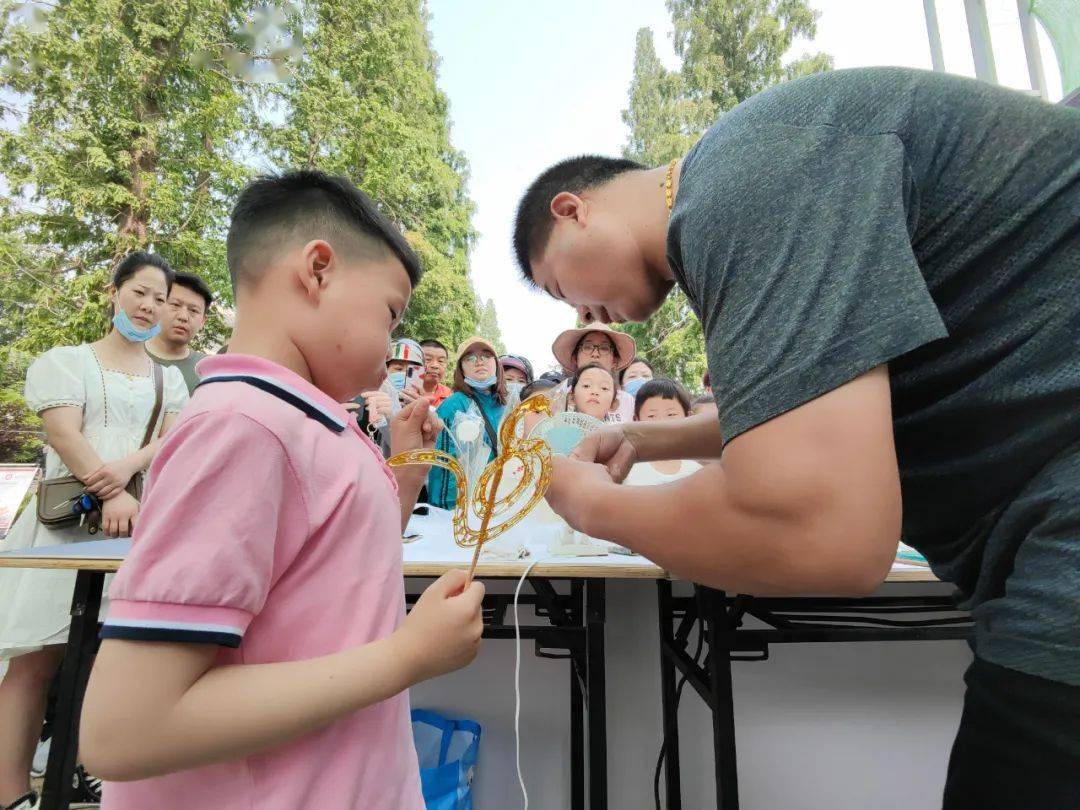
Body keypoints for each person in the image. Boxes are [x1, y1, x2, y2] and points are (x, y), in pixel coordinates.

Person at [513, 67, 1080, 807]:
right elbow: (825, 393)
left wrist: (589, 506)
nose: (593, 320)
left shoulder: (745, 184)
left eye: (564, 289)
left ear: (573, 210)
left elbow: (822, 532)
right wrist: (652, 442)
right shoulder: (753, 176)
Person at [78, 171, 485, 809]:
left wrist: (402, 475)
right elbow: (125, 729)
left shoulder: (297, 419)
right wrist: (408, 657)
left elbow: (323, 558)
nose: (392, 349)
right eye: (390, 313)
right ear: (318, 269)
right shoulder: (245, 427)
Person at [0, 251, 189, 810]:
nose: (150, 306)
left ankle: (88, 768)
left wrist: (127, 481)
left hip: (132, 526)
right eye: (141, 293)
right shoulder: (67, 361)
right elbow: (64, 433)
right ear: (114, 292)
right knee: (36, 660)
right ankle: (12, 792)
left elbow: (170, 442)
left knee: (106, 657)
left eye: (161, 298)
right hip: (63, 527)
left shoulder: (168, 380)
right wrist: (109, 490)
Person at [427, 337, 507, 509]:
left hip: (499, 504)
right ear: (461, 369)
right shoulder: (454, 405)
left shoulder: (505, 405)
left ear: (496, 364)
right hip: (463, 509)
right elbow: (445, 466)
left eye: (486, 356)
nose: (479, 362)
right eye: (470, 358)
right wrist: (447, 513)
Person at [145, 271, 213, 395]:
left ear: (203, 321)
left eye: (193, 310)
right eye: (175, 305)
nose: (183, 317)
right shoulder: (127, 354)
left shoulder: (210, 370)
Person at [551, 322, 636, 422]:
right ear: (575, 358)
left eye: (604, 348)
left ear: (614, 361)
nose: (595, 354)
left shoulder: (627, 402)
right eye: (587, 347)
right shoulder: (557, 397)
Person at [623, 379, 701, 486]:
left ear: (688, 417)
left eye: (671, 415)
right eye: (651, 416)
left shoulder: (696, 471)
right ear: (636, 421)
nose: (662, 423)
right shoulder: (625, 470)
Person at [402, 339, 452, 408]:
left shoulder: (450, 396)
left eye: (441, 361)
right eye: (427, 359)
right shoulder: (401, 389)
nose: (435, 365)